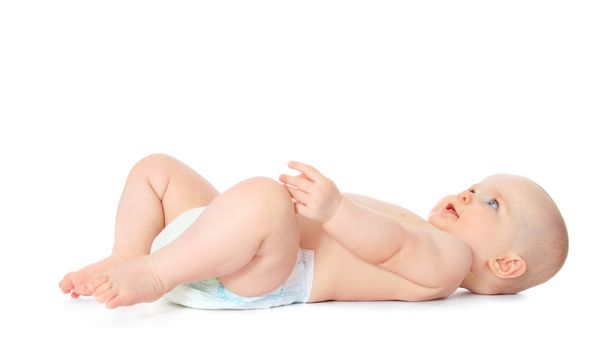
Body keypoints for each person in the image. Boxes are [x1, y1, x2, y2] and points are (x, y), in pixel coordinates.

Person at [58, 153, 568, 309]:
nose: (466, 195)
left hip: (263, 273)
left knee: (263, 197)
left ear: (506, 264)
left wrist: (334, 210)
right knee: (157, 169)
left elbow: (395, 247)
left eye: (490, 203)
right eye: (473, 186)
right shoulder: (434, 233)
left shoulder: (450, 261)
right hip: (223, 245)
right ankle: (126, 251)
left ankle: (153, 271)